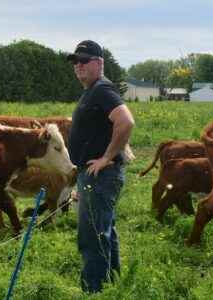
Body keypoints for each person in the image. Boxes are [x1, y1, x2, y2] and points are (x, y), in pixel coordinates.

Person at [66, 40, 135, 293]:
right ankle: (112, 284)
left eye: (84, 60)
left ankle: (93, 290)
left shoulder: (102, 89)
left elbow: (125, 122)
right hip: (95, 176)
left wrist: (107, 158)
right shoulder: (92, 91)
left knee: (92, 236)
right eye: (75, 61)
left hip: (101, 175)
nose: (78, 66)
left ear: (99, 63)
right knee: (105, 231)